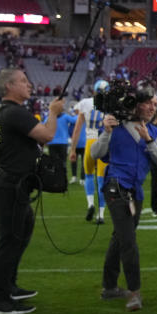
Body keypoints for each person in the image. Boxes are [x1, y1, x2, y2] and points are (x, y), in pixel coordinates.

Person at [0, 69, 64, 314]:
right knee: (8, 241)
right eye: (22, 81)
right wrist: (53, 112)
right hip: (11, 185)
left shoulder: (0, 113)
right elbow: (48, 135)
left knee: (20, 233)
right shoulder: (15, 113)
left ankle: (9, 285)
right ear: (9, 86)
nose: (29, 85)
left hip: (9, 183)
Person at [90, 88, 157, 311]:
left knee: (119, 238)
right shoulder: (115, 127)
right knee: (128, 242)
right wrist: (105, 131)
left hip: (135, 192)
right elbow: (95, 153)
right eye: (148, 103)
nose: (153, 107)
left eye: (155, 103)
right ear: (136, 105)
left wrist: (149, 140)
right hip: (115, 189)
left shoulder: (153, 130)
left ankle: (109, 287)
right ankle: (134, 292)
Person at [70, 80, 109, 223]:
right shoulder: (111, 105)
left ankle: (91, 204)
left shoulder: (85, 103)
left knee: (88, 175)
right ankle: (101, 215)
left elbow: (77, 129)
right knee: (101, 179)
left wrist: (73, 149)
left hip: (90, 142)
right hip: (104, 142)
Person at [43, 99, 75, 190]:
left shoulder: (50, 117)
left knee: (53, 162)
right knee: (63, 162)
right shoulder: (65, 117)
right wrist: (79, 113)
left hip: (52, 143)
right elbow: (74, 120)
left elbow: (43, 124)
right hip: (63, 143)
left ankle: (55, 180)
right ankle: (63, 180)